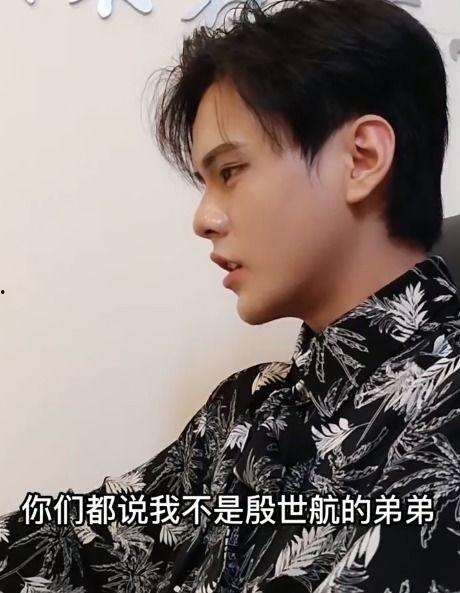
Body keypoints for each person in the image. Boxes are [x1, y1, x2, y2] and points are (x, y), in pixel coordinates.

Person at [1, 0, 459, 591]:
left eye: (230, 171)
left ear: (362, 159)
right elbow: (76, 543)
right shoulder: (249, 406)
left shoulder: (444, 417)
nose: (204, 219)